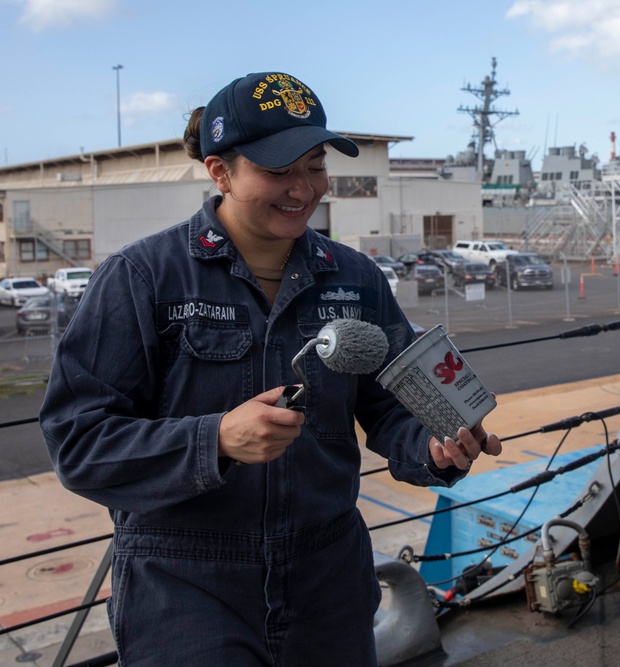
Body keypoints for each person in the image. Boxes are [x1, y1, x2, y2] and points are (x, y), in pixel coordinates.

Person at [39, 70, 502, 666]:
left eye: (314, 165)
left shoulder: (356, 278)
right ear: (220, 171)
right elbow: (79, 442)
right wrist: (217, 440)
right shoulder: (141, 278)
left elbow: (391, 409)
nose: (302, 189)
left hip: (328, 580)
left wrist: (436, 447)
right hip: (186, 586)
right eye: (278, 170)